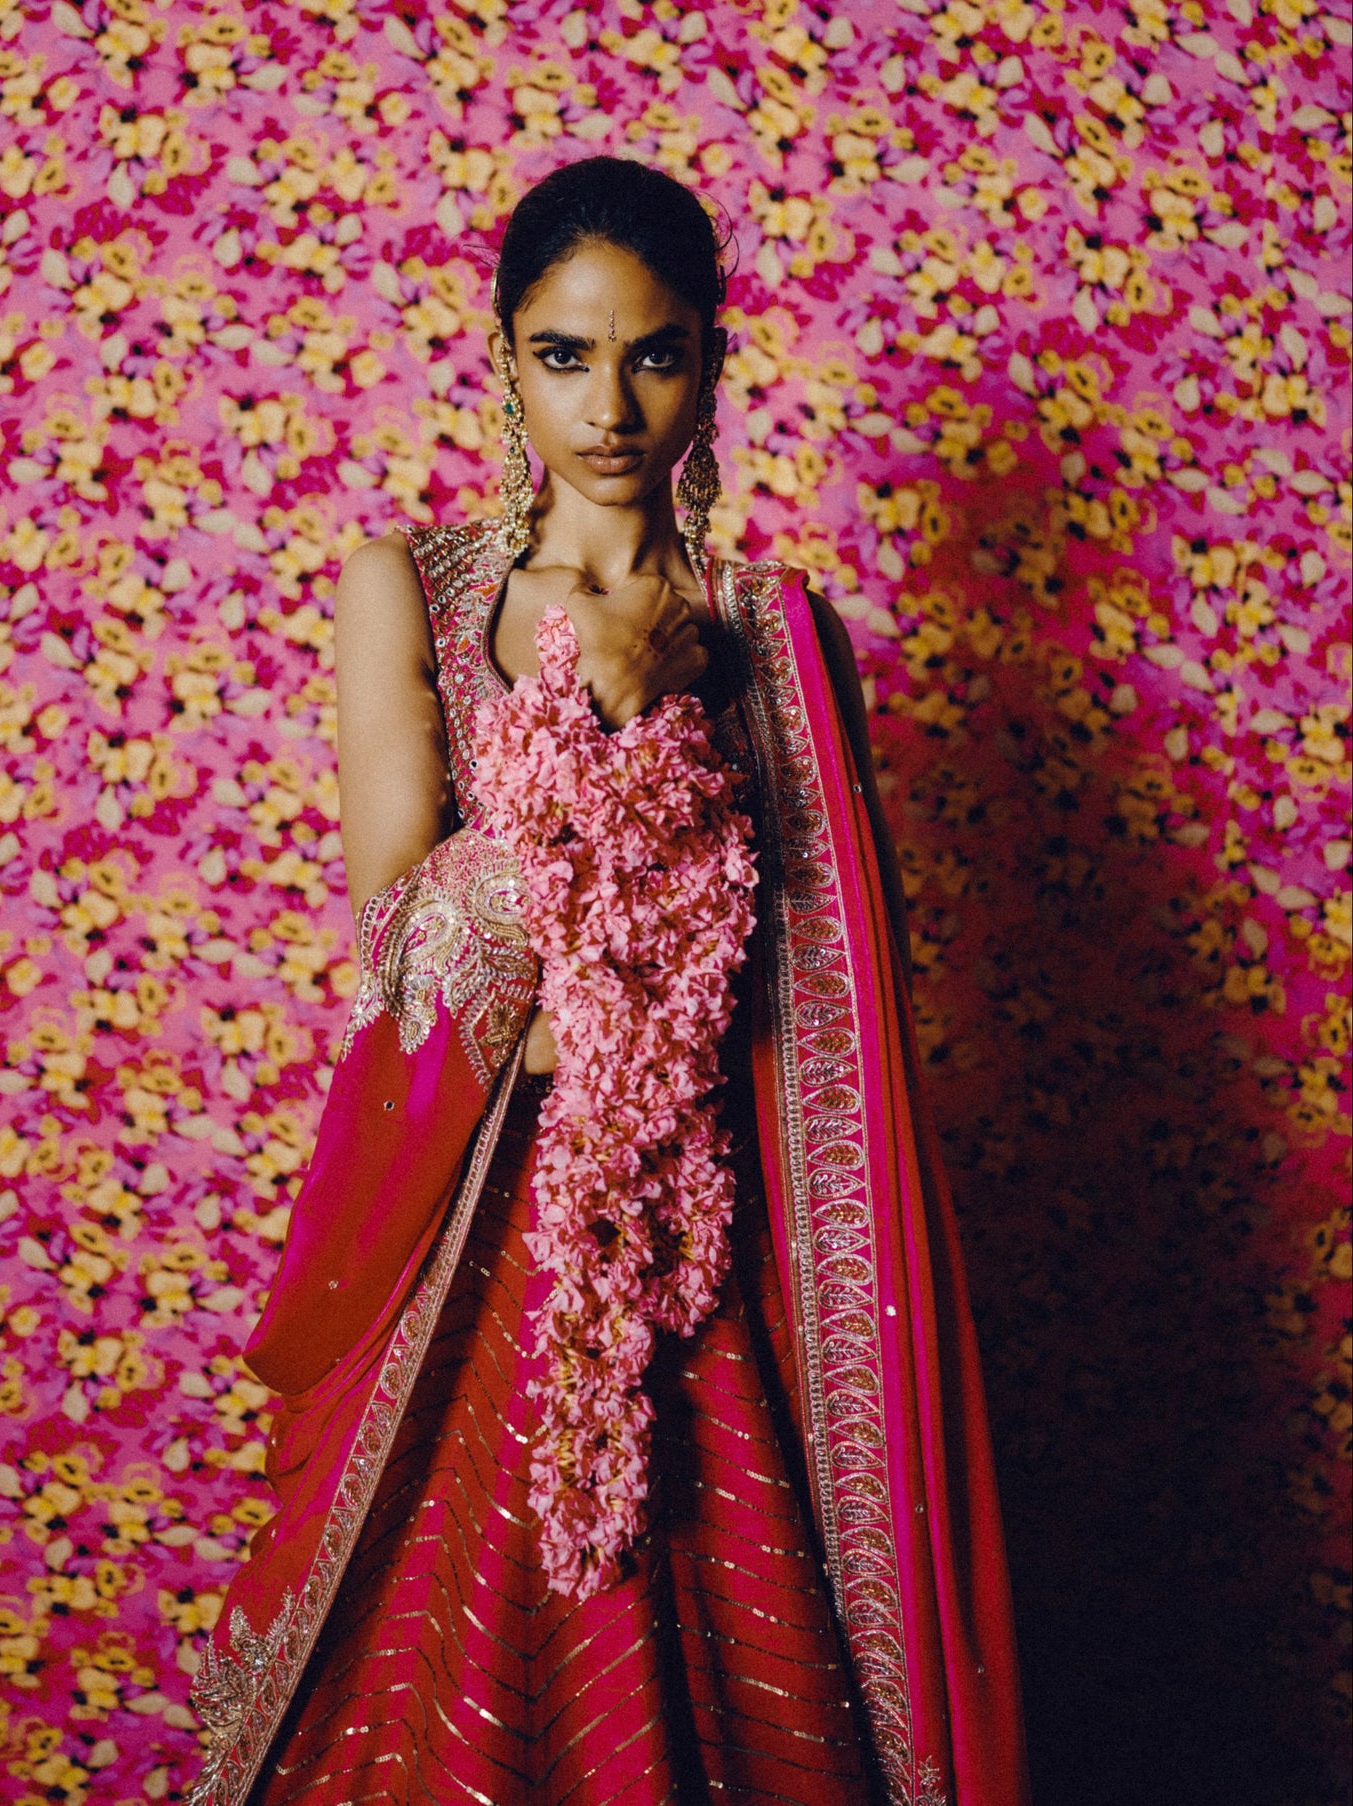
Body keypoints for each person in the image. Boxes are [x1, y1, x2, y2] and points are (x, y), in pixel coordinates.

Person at [187, 156, 1030, 1806]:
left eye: (654, 354)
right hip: (477, 1235)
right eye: (563, 355)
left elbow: (818, 1007)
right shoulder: (415, 590)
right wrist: (600, 712)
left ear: (710, 362)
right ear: (505, 358)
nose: (609, 405)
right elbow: (407, 956)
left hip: (713, 1247)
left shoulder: (774, 628)